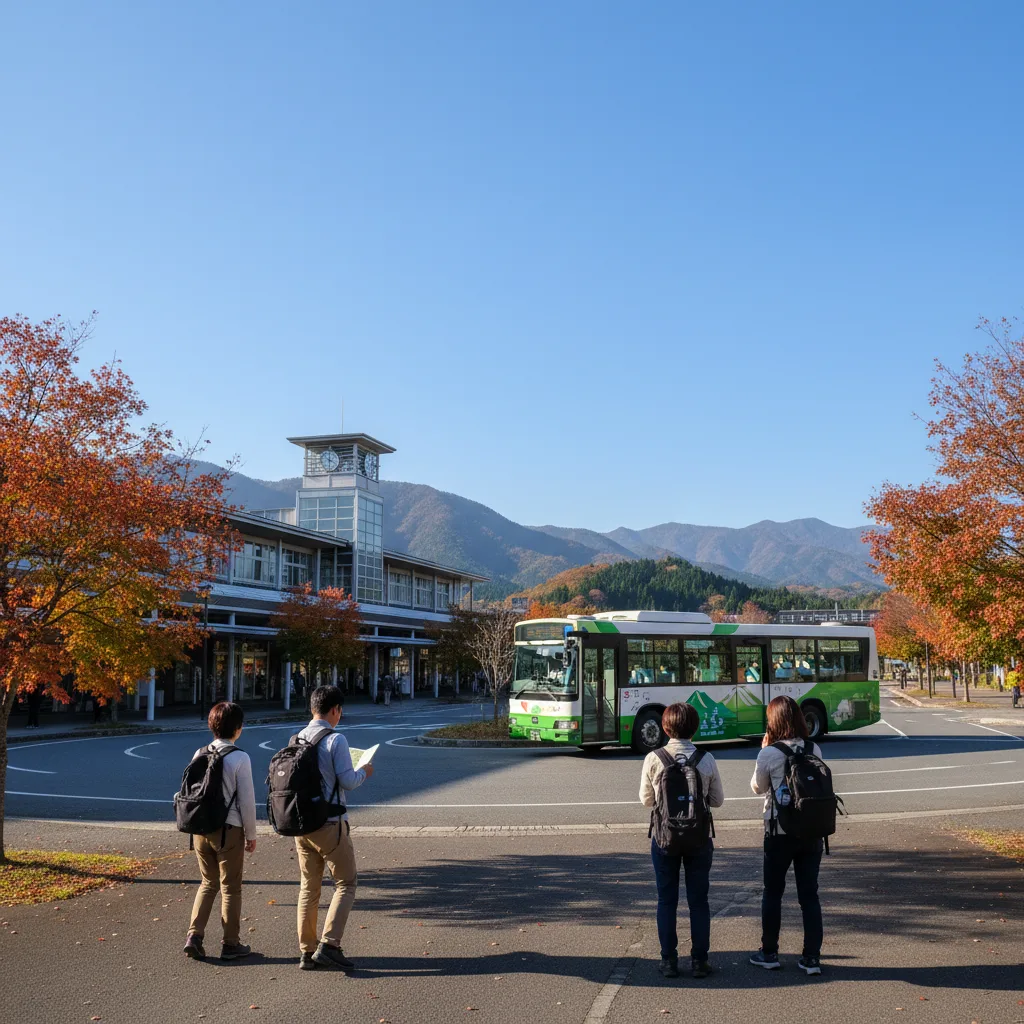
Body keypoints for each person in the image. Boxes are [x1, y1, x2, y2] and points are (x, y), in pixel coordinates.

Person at [639, 702, 725, 980]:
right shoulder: (706, 758)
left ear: (665, 727)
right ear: (695, 727)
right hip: (698, 838)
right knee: (699, 901)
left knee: (667, 900)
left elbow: (646, 800)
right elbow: (717, 801)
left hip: (665, 838)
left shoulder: (655, 758)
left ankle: (668, 961)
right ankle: (699, 961)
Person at [294, 685, 374, 971]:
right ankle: (330, 944)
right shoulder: (335, 739)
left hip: (302, 823)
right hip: (329, 823)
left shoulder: (297, 737)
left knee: (309, 887)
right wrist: (364, 770)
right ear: (335, 710)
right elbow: (348, 781)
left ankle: (307, 950)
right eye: (340, 711)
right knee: (346, 882)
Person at [749, 695, 825, 975]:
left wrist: (765, 750)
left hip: (779, 831)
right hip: (811, 829)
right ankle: (811, 958)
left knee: (773, 893)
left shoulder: (769, 753)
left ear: (773, 721)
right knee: (809, 896)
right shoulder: (813, 747)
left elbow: (758, 787)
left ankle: (769, 952)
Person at [183, 701, 258, 961]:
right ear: (237, 728)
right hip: (229, 829)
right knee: (231, 887)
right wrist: (251, 834)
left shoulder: (199, 753)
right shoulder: (240, 757)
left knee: (207, 883)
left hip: (200, 829)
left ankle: (194, 936)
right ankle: (230, 943)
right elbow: (247, 801)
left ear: (211, 726)